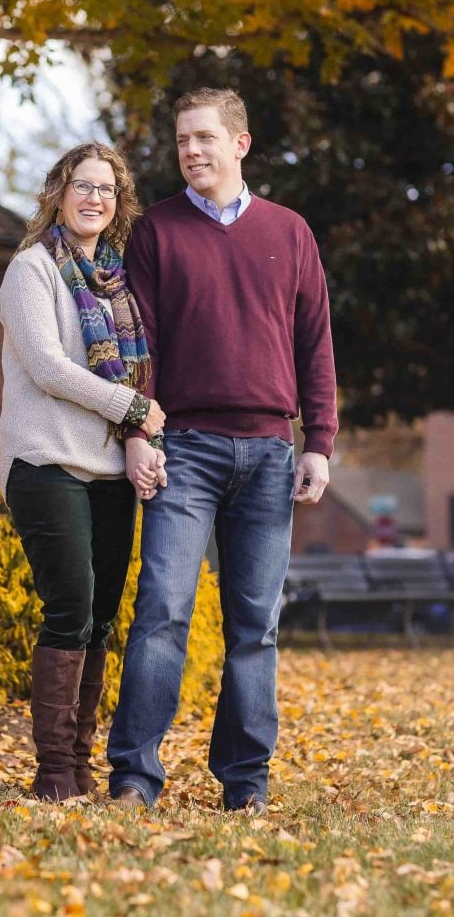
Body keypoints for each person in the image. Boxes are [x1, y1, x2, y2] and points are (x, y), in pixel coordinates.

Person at [108, 88, 338, 814]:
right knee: (161, 613)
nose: (191, 151)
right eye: (181, 140)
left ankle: (245, 784)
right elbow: (135, 347)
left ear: (240, 143)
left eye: (204, 137)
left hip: (270, 452)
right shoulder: (155, 233)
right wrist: (138, 432)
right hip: (185, 450)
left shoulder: (290, 232)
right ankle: (134, 778)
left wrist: (319, 442)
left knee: (254, 628)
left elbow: (315, 346)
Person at [0, 143, 166, 802]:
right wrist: (133, 408)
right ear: (58, 194)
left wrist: (136, 432)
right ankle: (52, 773)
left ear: (117, 204)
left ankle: (80, 762)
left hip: (108, 472)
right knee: (68, 608)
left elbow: (137, 373)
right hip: (45, 463)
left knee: (100, 618)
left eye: (107, 189)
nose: (94, 197)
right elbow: (46, 366)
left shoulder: (119, 284)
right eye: (81, 185)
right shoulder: (30, 270)